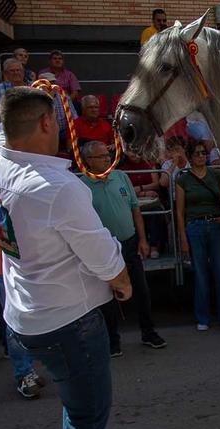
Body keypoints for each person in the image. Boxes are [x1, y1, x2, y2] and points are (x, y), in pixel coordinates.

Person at [0, 87, 129, 429]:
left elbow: (2, 132)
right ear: (46, 122)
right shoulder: (58, 187)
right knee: (87, 413)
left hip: (26, 316)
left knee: (77, 404)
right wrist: (124, 282)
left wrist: (30, 88)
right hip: (69, 321)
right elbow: (105, 260)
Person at [79, 141, 167, 354]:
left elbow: (135, 210)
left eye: (107, 155)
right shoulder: (81, 186)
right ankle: (112, 340)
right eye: (101, 156)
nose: (107, 159)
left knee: (142, 291)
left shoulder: (121, 177)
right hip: (104, 249)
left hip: (129, 243)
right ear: (89, 161)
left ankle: (148, 332)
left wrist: (143, 240)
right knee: (106, 296)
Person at [0, 186, 44, 398]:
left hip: (26, 263)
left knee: (31, 319)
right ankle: (24, 374)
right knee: (15, 321)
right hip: (3, 265)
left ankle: (29, 369)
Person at [175, 141, 220, 331]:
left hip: (217, 225)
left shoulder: (216, 175)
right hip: (195, 226)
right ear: (190, 156)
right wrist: (183, 238)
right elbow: (179, 212)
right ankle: (203, 317)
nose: (201, 156)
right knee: (201, 274)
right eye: (197, 153)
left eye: (204, 153)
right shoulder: (183, 179)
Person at [118, 150, 162, 259]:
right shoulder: (122, 168)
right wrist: (143, 192)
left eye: (138, 153)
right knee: (131, 216)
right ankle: (138, 247)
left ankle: (154, 246)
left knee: (155, 212)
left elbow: (156, 184)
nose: (136, 156)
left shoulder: (149, 163)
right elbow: (123, 190)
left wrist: (140, 188)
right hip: (133, 201)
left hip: (150, 201)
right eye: (133, 154)